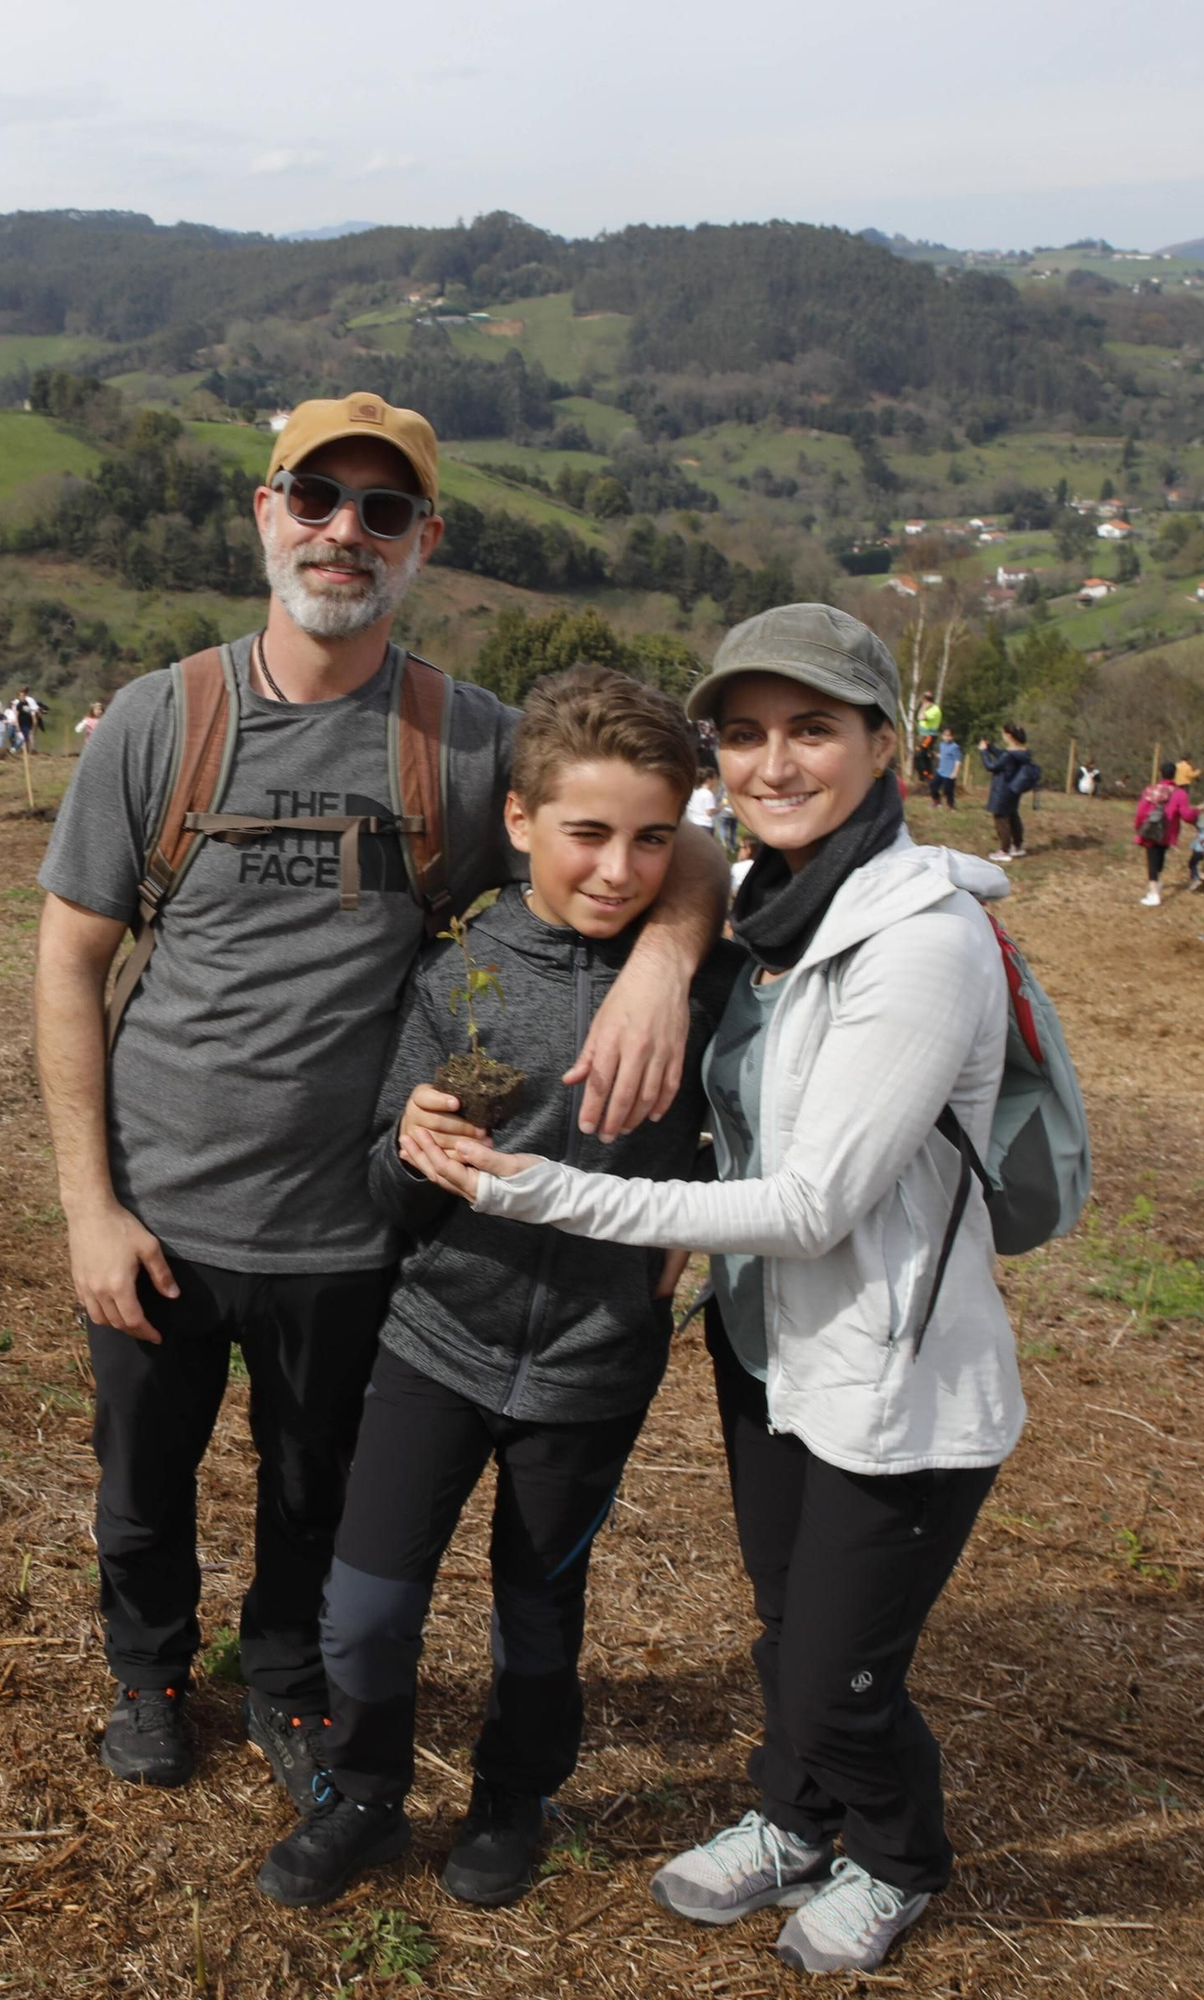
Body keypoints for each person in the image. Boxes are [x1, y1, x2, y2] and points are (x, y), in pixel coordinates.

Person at [33, 392, 726, 1805]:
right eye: (316, 499)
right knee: (137, 1489)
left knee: (314, 1493)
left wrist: (661, 964)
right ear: (265, 513)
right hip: (160, 1210)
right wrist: (87, 1205)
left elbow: (674, 830)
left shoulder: (470, 745)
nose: (345, 533)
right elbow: (69, 961)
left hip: (351, 1230)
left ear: (424, 542)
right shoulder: (164, 723)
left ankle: (286, 1679)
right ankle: (150, 1674)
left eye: (384, 511)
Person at [406, 603, 1027, 1978]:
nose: (774, 761)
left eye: (813, 729)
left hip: (896, 1380)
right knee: (780, 1620)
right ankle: (794, 1818)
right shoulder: (774, 902)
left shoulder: (919, 939)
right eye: (742, 735)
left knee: (836, 1673)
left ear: (886, 747)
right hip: (769, 1351)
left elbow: (810, 1207)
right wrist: (673, 950)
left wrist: (535, 1187)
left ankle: (900, 1852)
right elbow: (664, 842)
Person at [256, 664, 739, 1911]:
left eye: (649, 838)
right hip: (434, 1342)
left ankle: (512, 1795)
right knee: (365, 1609)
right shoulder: (455, 970)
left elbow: (744, 1149)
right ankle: (360, 1789)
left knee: (541, 1615)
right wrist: (409, 1147)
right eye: (587, 833)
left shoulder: (710, 982)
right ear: (519, 821)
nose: (620, 869)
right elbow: (385, 1183)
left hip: (592, 1362)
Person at [1134, 759, 1199, 907]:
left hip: (1151, 829)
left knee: (1152, 859)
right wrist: (1196, 813)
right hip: (1168, 832)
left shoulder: (1150, 790)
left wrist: (1139, 827)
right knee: (1159, 857)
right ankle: (1156, 885)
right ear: (1174, 774)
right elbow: (1186, 815)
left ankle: (1154, 894)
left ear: (1160, 773)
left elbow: (1140, 812)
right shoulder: (1180, 793)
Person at [978, 725, 1032, 860]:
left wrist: (983, 752)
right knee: (1013, 815)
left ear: (1009, 736)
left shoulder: (1009, 755)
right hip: (1014, 789)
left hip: (1002, 790)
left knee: (1001, 819)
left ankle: (1004, 850)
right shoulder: (1022, 752)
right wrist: (990, 747)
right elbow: (1003, 755)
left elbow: (991, 766)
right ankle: (1017, 846)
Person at [928, 727, 962, 810]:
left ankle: (951, 806)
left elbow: (958, 761)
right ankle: (936, 801)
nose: (947, 737)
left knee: (948, 791)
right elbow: (943, 756)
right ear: (942, 736)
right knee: (933, 785)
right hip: (940, 771)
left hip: (949, 774)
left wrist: (955, 772)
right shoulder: (941, 745)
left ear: (952, 736)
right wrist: (935, 754)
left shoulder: (955, 747)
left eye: (949, 736)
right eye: (945, 735)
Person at [731, 834, 760, 899]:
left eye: (741, 847)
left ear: (749, 850)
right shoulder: (761, 866)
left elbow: (732, 888)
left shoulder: (737, 867)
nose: (739, 850)